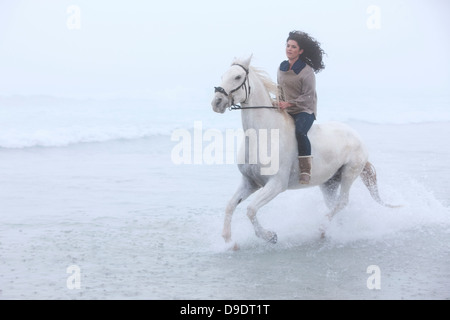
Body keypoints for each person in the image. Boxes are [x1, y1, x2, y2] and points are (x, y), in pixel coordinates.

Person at [276, 30, 325, 184]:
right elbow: (280, 89)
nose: (289, 49)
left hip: (305, 109)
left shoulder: (307, 71)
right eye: (288, 46)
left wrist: (289, 103)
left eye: (293, 47)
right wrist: (276, 101)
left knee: (300, 131)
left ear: (300, 51)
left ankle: (305, 169)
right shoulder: (282, 67)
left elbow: (308, 96)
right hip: (287, 108)